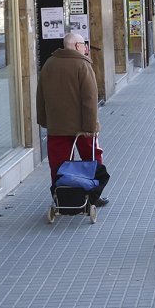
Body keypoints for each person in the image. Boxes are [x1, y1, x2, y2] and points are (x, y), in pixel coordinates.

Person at [36, 32, 108, 206]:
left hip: (57, 126)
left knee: (58, 164)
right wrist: (91, 127)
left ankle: (60, 197)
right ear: (76, 46)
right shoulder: (83, 65)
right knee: (91, 160)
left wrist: (44, 121)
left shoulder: (49, 64)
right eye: (83, 44)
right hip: (83, 127)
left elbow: (40, 96)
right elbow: (90, 99)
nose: (85, 48)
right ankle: (92, 195)